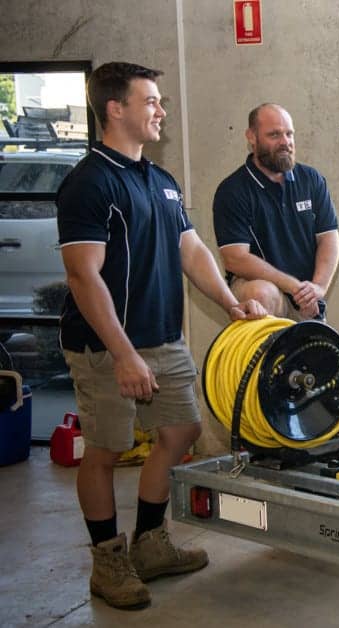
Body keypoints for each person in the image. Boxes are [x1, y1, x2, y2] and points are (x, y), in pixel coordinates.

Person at [57, 62, 267, 610]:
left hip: (161, 336)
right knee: (105, 449)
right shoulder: (89, 182)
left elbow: (190, 250)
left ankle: (150, 543)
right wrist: (123, 354)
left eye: (161, 102)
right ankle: (108, 560)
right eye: (150, 101)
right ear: (115, 109)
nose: (160, 110)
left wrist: (229, 301)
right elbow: (84, 275)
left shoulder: (159, 178)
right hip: (107, 344)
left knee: (181, 431)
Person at [213, 103, 339, 320]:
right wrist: (294, 287)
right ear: (251, 137)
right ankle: (261, 352)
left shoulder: (311, 180)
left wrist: (317, 288)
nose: (285, 142)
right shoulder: (233, 190)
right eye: (274, 135)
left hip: (303, 296)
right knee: (261, 292)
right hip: (266, 291)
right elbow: (235, 259)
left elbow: (329, 239)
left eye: (289, 134)